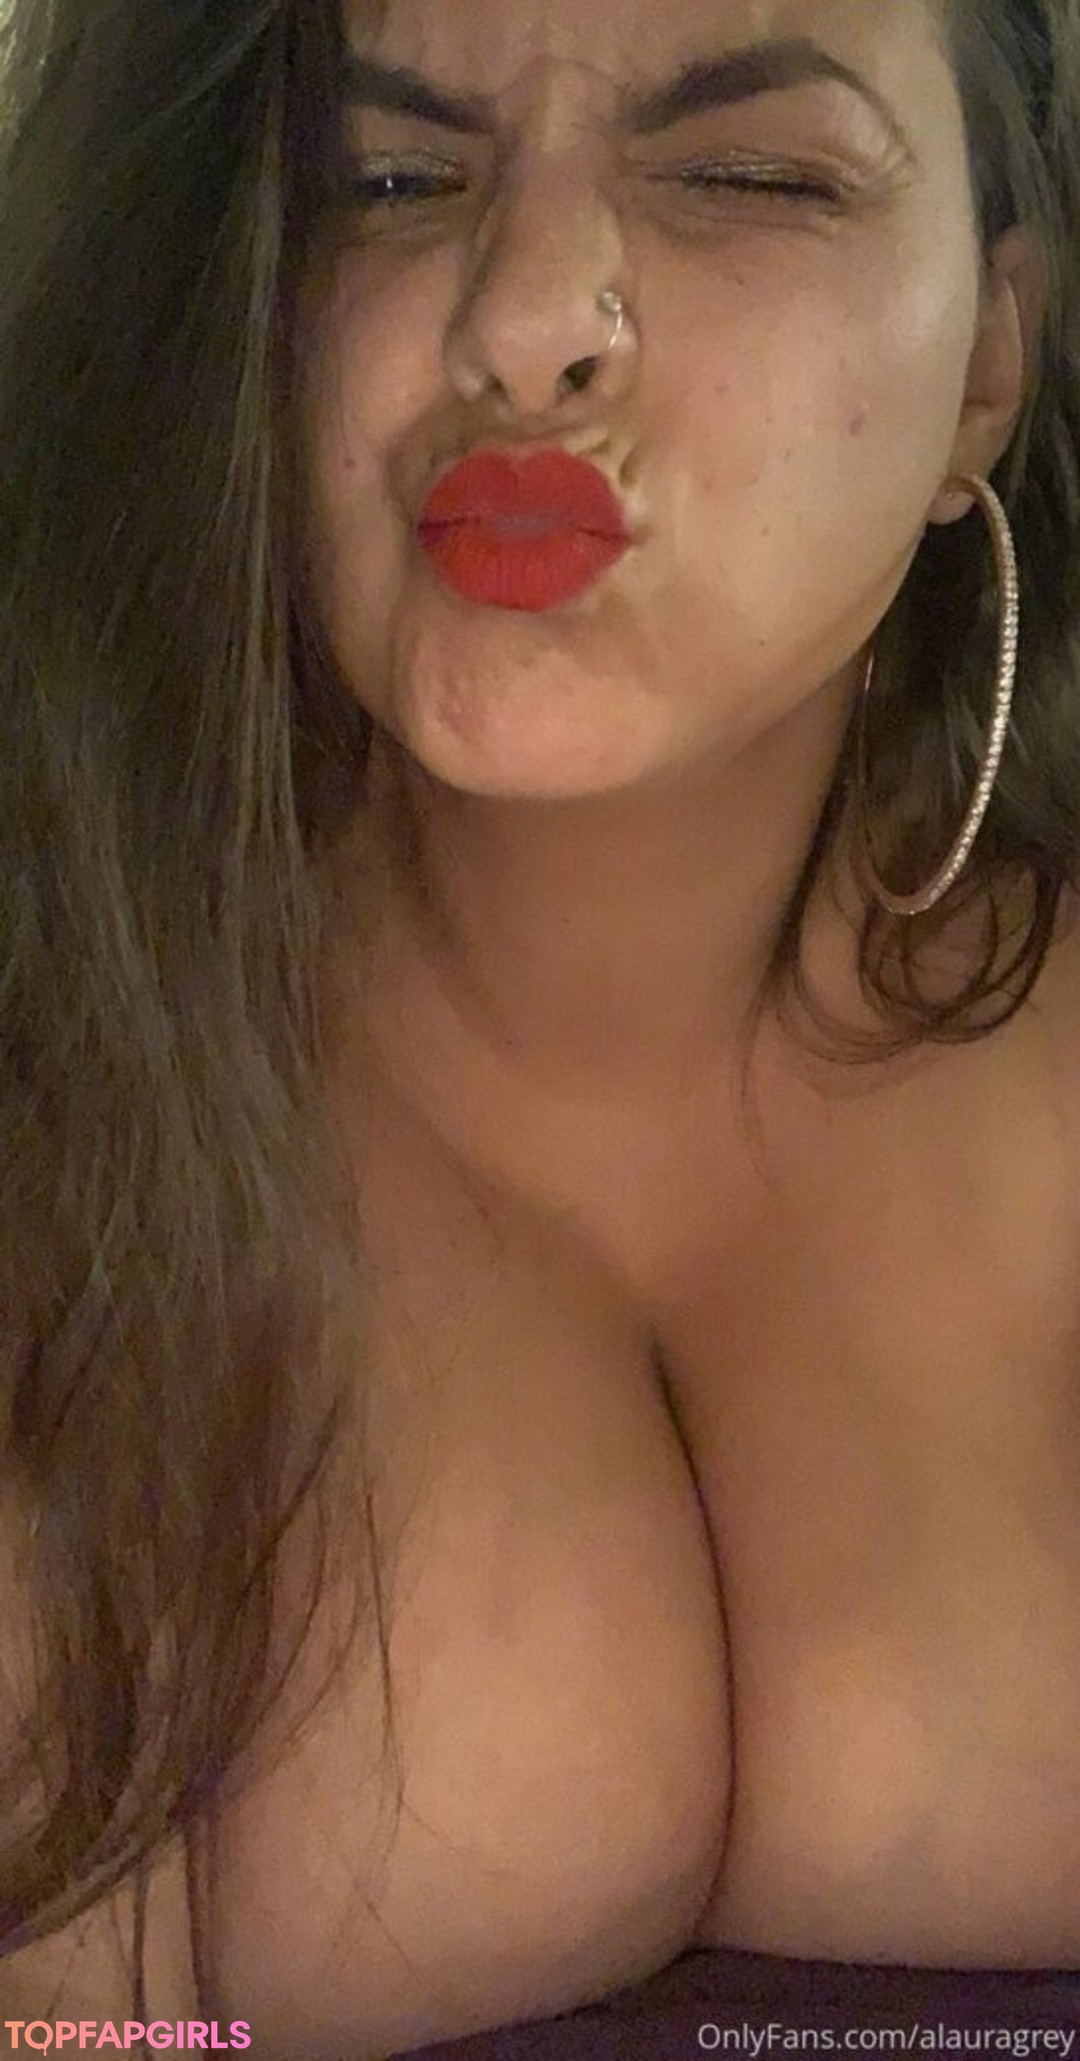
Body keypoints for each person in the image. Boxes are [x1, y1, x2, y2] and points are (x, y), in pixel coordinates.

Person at [3, 0, 1080, 2053]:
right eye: (388, 181)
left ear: (986, 374)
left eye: (745, 173)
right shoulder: (68, 1100)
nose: (522, 322)